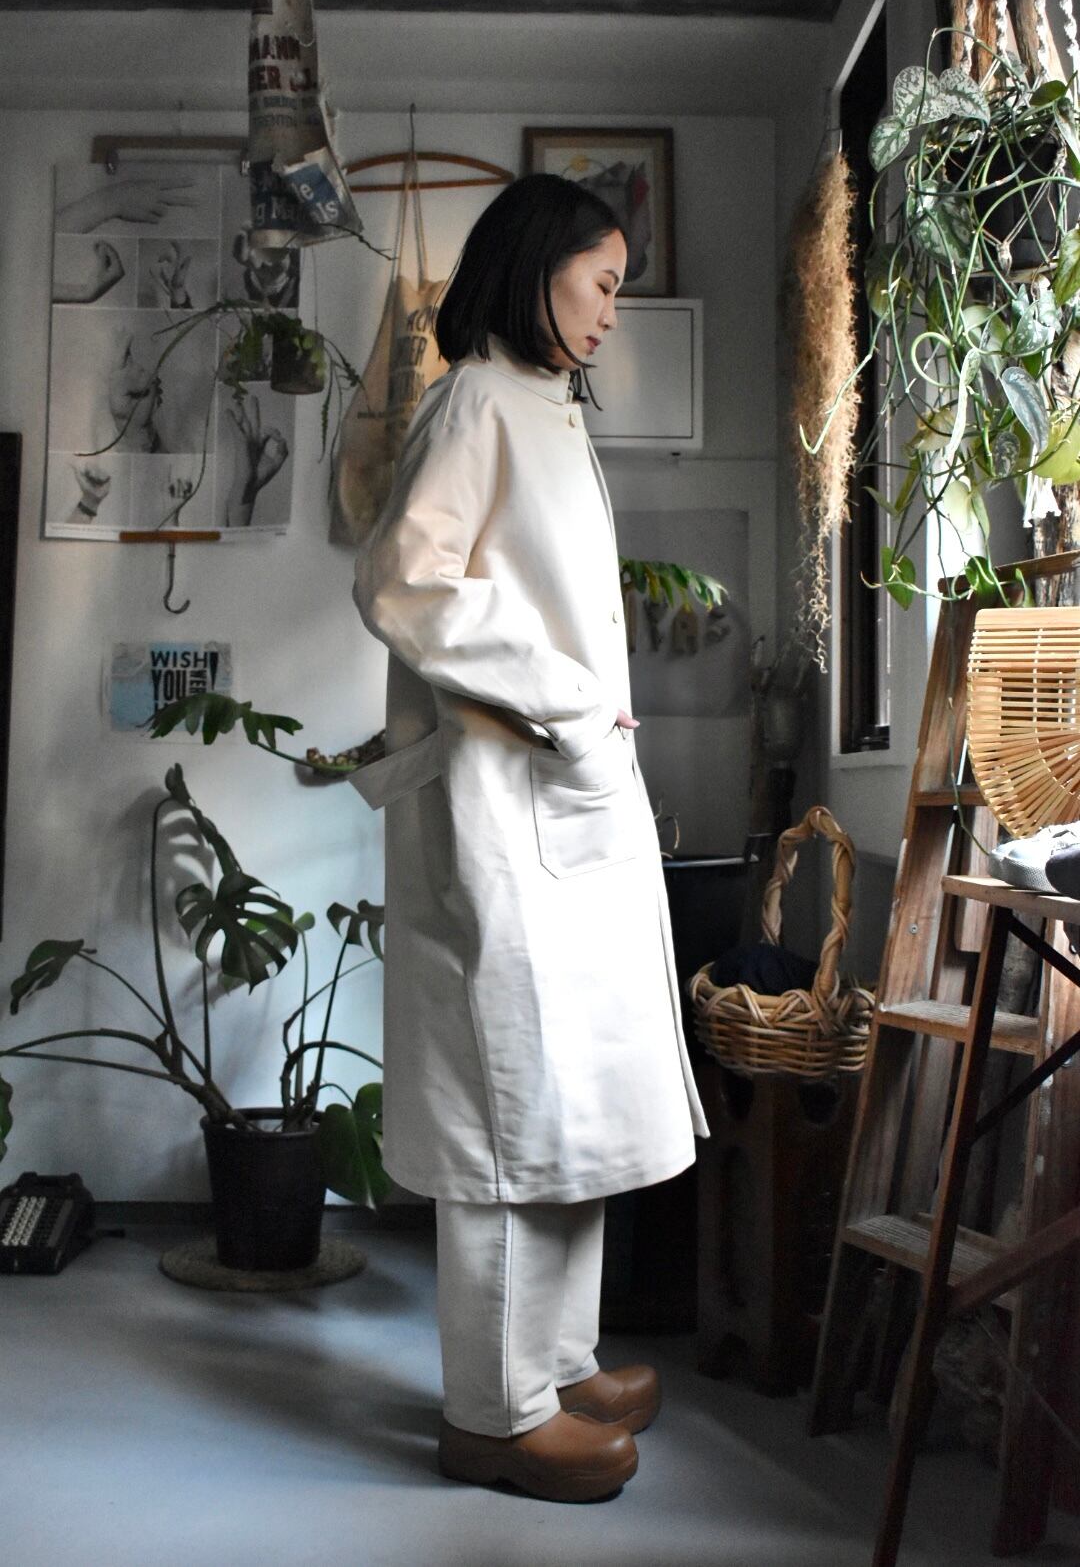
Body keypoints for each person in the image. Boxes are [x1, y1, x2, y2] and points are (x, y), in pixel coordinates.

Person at [351, 173, 708, 1504]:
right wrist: (565, 700)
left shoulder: (548, 409)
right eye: (601, 282)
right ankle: (492, 1415)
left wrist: (583, 724)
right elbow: (402, 582)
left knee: (571, 1103)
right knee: (510, 1110)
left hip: (562, 808)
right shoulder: (477, 402)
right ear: (533, 266)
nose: (613, 309)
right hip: (502, 813)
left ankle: (555, 1367)